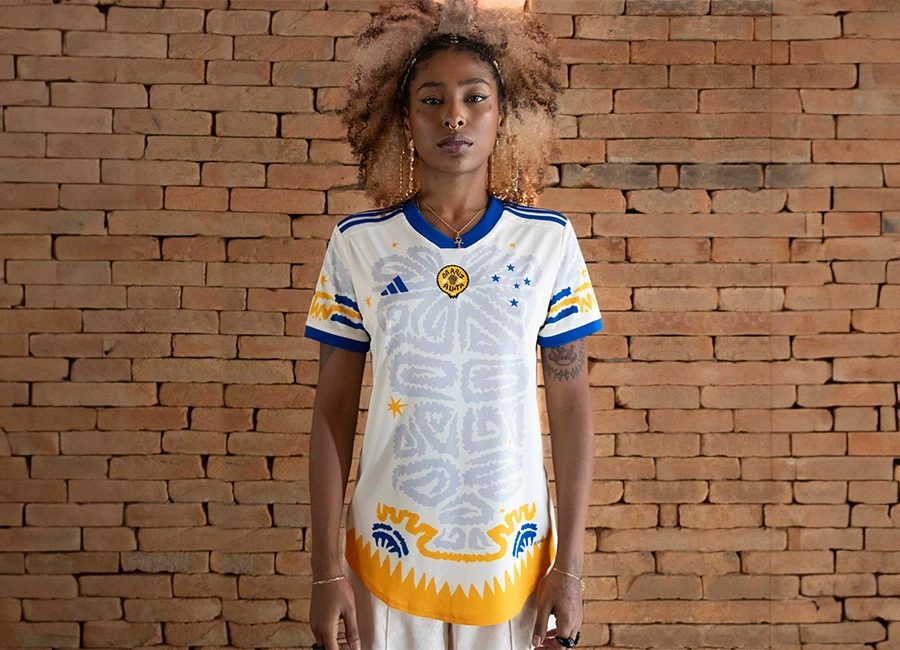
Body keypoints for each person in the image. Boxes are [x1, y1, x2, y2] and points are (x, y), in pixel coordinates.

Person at [303, 1, 602, 648]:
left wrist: (570, 567)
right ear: (404, 119)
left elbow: (572, 405)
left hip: (514, 562)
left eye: (475, 97)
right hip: (385, 557)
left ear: (504, 114)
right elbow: (332, 410)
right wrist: (326, 571)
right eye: (432, 100)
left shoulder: (548, 243)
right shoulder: (359, 245)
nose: (454, 116)